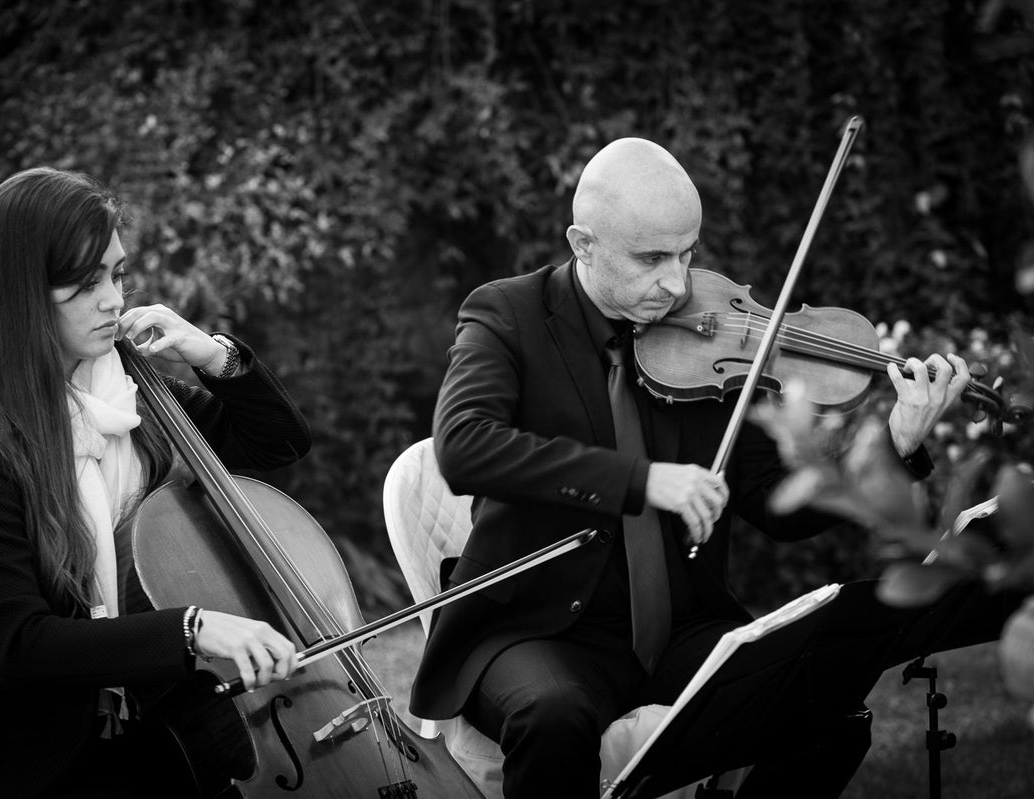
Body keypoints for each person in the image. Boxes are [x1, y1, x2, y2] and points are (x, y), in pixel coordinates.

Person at [409, 138, 1015, 798]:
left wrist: (898, 440)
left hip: (677, 631)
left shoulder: (714, 335)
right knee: (555, 716)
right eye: (651, 259)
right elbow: (465, 444)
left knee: (829, 709)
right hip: (532, 626)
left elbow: (779, 507)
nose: (676, 282)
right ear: (584, 244)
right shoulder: (508, 314)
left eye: (687, 252)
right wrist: (638, 479)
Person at [0, 167, 311, 798]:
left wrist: (209, 353)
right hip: (39, 760)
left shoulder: (135, 396)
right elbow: (18, 647)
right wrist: (191, 629)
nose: (113, 299)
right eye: (85, 283)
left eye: (118, 274)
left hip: (165, 724)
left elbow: (280, 442)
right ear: (16, 293)